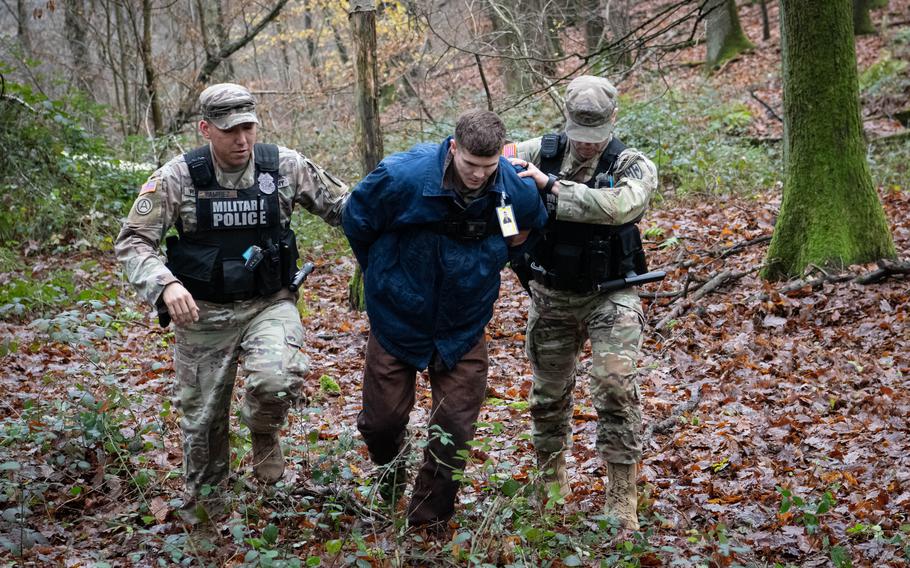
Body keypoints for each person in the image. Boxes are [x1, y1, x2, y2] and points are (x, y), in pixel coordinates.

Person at [114, 83, 348, 515]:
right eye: (229, 131)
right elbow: (133, 242)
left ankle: (262, 429)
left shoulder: (285, 167)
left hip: (268, 302)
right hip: (203, 315)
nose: (242, 140)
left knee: (277, 379)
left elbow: (349, 210)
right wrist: (165, 284)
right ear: (205, 129)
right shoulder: (178, 177)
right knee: (203, 426)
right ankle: (208, 512)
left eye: (248, 128)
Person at [342, 110, 548, 532]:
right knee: (381, 423)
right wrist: (383, 273)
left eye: (488, 167)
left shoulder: (512, 188)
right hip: (398, 315)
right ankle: (391, 471)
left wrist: (492, 258)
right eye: (470, 164)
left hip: (464, 321)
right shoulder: (403, 177)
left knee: (453, 427)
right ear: (453, 148)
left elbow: (529, 228)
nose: (478, 175)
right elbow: (356, 220)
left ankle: (426, 522)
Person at [503, 75, 658, 530]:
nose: (586, 146)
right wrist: (514, 237)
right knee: (548, 396)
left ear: (614, 118)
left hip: (611, 291)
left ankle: (622, 494)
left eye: (595, 136)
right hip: (551, 292)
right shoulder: (535, 152)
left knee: (614, 384)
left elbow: (620, 206)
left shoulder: (632, 163)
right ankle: (550, 484)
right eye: (578, 135)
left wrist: (550, 188)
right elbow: (493, 182)